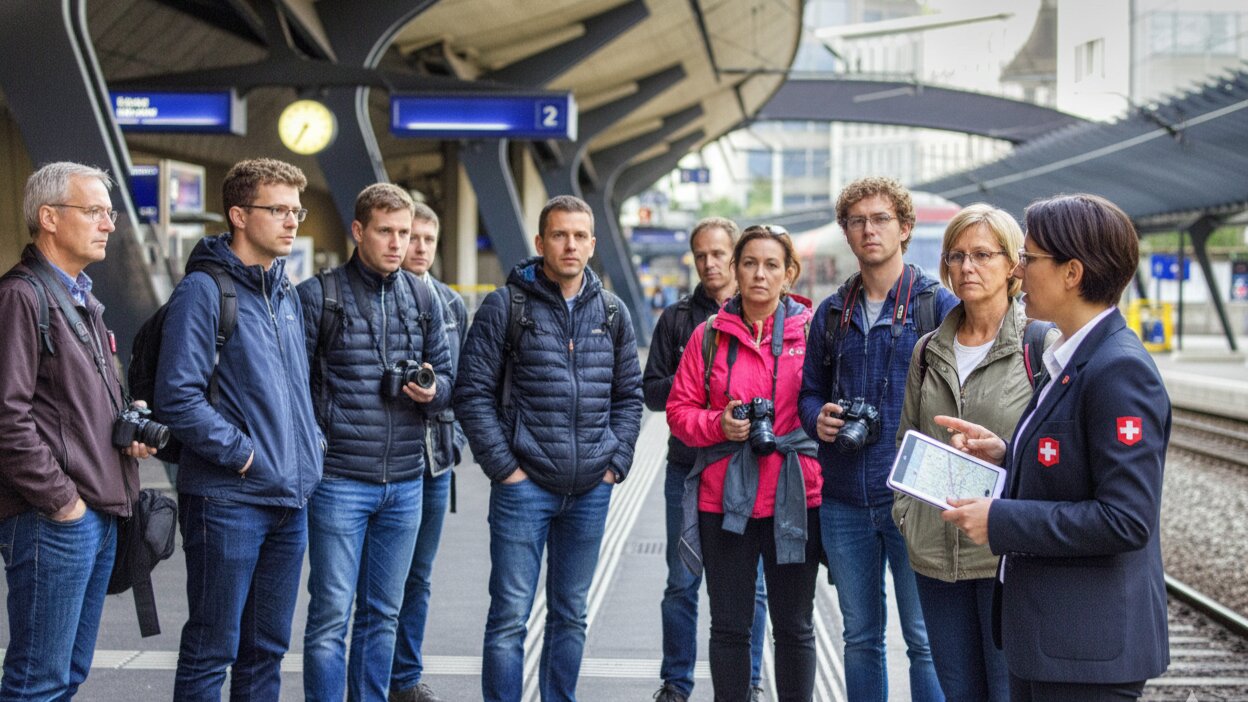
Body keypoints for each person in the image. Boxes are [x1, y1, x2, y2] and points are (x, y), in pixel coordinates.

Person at [937, 193, 1170, 702]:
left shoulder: (1118, 370)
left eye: (1029, 258)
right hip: (1054, 642)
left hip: (1087, 655)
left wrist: (1000, 520)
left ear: (1072, 272)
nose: (1017, 271)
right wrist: (1006, 452)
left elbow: (1125, 518)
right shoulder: (1071, 356)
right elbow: (1075, 463)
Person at [454, 195, 644, 702]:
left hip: (590, 490)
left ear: (593, 244)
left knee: (571, 613)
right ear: (540, 243)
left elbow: (629, 395)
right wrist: (505, 468)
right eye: (560, 235)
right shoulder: (505, 306)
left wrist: (615, 463)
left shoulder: (611, 312)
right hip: (524, 487)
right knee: (510, 615)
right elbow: (472, 393)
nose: (571, 245)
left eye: (580, 236)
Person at [155, 158, 324, 701]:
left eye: (296, 210)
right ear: (238, 215)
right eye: (278, 210)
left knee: (266, 651)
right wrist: (243, 454)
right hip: (228, 500)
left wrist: (310, 447)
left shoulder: (285, 292)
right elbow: (176, 396)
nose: (292, 220)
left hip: (289, 499)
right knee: (212, 649)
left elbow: (296, 388)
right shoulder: (204, 292)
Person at [0, 162, 158, 700]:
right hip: (55, 519)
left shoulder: (79, 298)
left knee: (66, 675)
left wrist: (123, 420)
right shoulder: (22, 297)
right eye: (94, 212)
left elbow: (65, 407)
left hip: (93, 512)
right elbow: (7, 418)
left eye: (109, 213)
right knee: (36, 682)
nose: (109, 224)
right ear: (48, 217)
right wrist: (62, 503)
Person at [798, 176, 957, 702]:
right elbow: (809, 392)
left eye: (881, 218)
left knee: (925, 639)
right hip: (845, 499)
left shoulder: (938, 307)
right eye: (858, 220)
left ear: (905, 228)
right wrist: (815, 417)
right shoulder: (831, 313)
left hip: (915, 500)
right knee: (860, 637)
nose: (869, 229)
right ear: (846, 232)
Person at [296, 184, 453, 701]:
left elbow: (448, 377)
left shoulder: (423, 295)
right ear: (358, 231)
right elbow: (293, 388)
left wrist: (430, 391)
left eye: (404, 233)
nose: (397, 243)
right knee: (330, 617)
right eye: (385, 231)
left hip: (406, 481)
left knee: (383, 614)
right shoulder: (320, 295)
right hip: (339, 480)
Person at [894, 204, 1056, 701]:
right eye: (957, 256)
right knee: (958, 692)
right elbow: (907, 438)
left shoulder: (1040, 345)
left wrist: (1006, 455)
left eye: (982, 254)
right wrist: (908, 517)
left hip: (1005, 554)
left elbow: (1057, 454)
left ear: (1013, 265)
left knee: (1008, 692)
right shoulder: (928, 349)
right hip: (936, 554)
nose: (967, 267)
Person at [666, 225, 823, 702]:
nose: (759, 274)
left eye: (771, 264)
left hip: (795, 498)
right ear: (735, 271)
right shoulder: (708, 336)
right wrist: (719, 425)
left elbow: (824, 407)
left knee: (794, 625)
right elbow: (678, 411)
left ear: (789, 274)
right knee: (730, 626)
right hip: (725, 500)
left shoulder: (814, 333)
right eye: (750, 263)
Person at [642, 217, 770, 702]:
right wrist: (694, 384)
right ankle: (676, 682)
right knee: (682, 578)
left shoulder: (765, 316)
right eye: (701, 256)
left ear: (735, 257)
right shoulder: (677, 320)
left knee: (752, 586)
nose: (709, 264)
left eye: (718, 254)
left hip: (748, 467)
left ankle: (751, 681)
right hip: (689, 468)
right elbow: (653, 391)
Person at [390, 202, 469, 702]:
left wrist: (456, 439)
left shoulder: (451, 304)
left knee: (417, 577)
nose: (417, 248)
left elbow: (468, 382)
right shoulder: (377, 297)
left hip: (435, 460)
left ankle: (404, 677)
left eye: (426, 239)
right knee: (373, 585)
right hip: (380, 458)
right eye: (410, 237)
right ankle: (372, 675)